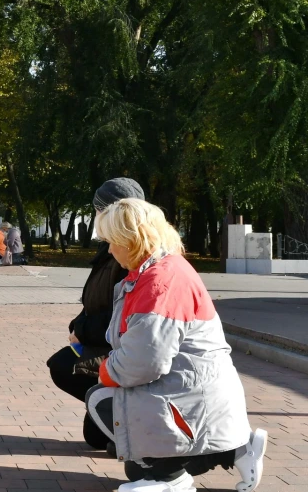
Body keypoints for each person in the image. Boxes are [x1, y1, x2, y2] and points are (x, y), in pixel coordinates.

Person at [86, 198, 267, 492]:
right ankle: (233, 447)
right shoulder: (156, 272)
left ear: (130, 239)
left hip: (191, 396)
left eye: (111, 241)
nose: (109, 249)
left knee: (101, 399)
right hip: (192, 394)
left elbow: (145, 361)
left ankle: (172, 480)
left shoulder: (159, 281)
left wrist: (106, 370)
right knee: (135, 464)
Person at [47, 178, 145, 452]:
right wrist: (78, 325)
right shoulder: (109, 250)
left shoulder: (130, 253)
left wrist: (83, 329)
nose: (95, 217)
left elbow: (123, 313)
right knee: (96, 437)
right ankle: (118, 417)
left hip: (121, 348)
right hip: (104, 339)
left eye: (98, 210)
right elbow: (96, 300)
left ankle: (131, 424)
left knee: (64, 366)